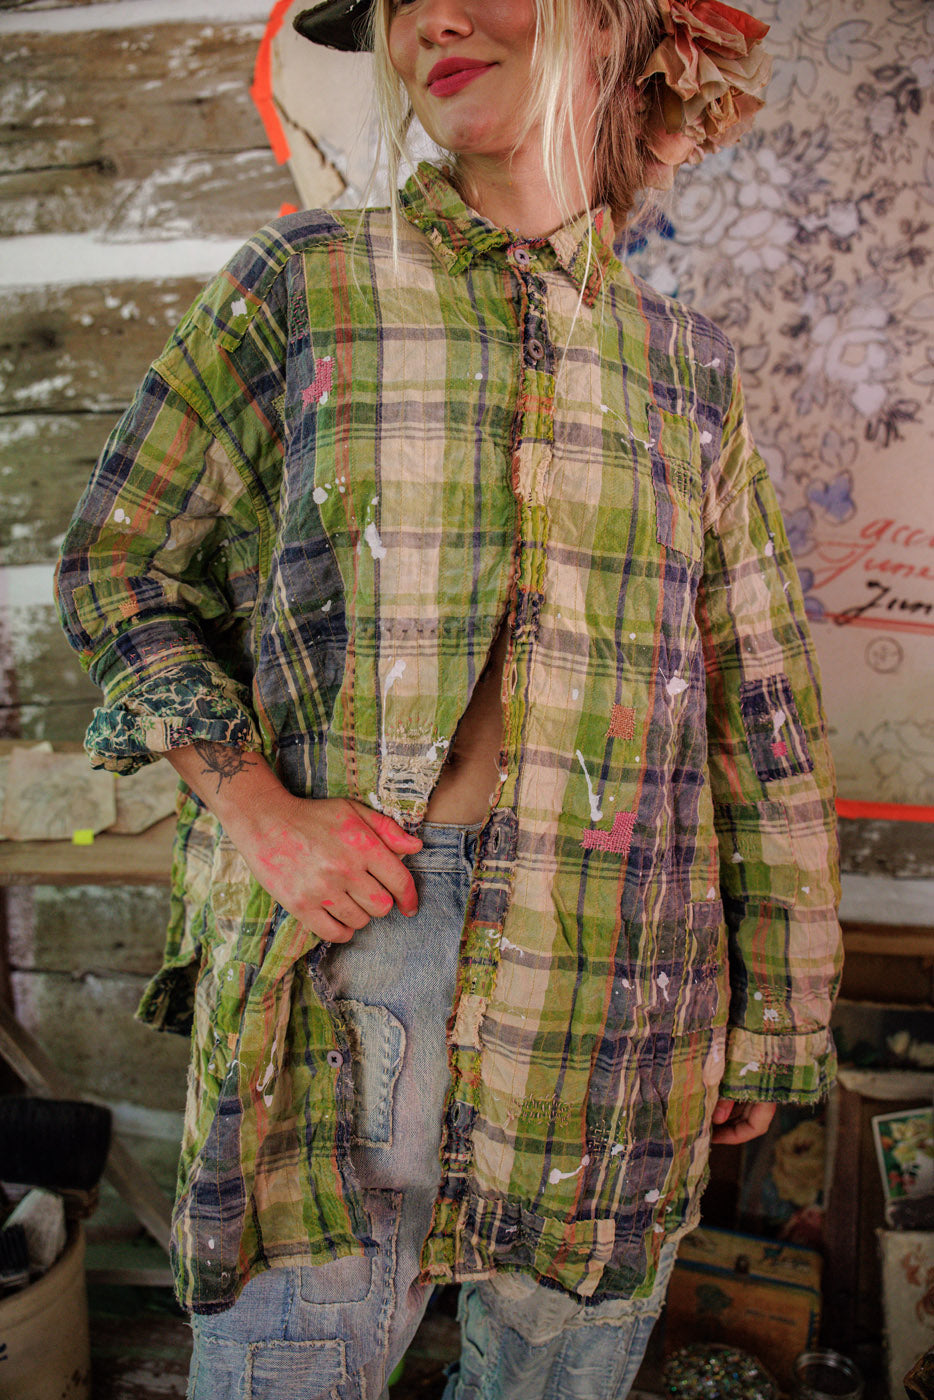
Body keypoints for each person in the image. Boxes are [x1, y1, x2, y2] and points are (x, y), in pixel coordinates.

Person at [55, 0, 842, 1394]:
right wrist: (259, 811)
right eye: (403, 0)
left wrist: (776, 1015)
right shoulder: (303, 285)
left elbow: (758, 715)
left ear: (614, 30)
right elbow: (119, 566)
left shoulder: (687, 369)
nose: (437, 19)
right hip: (353, 952)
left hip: (621, 982)